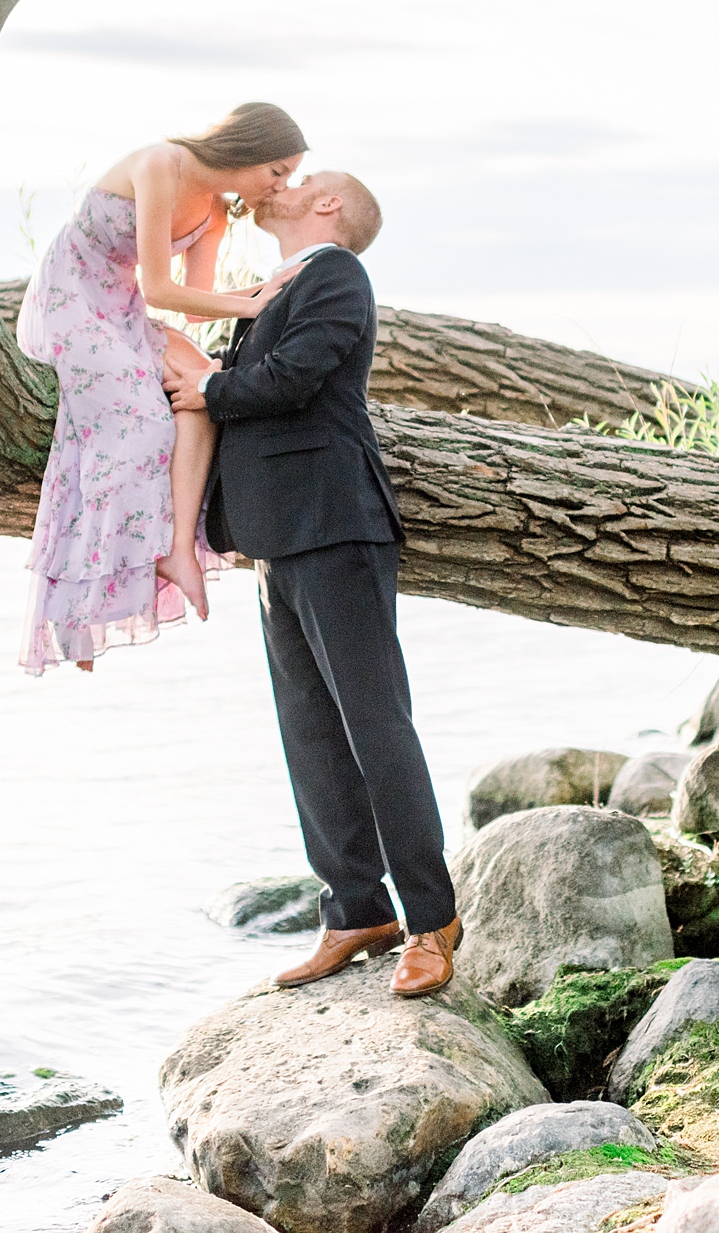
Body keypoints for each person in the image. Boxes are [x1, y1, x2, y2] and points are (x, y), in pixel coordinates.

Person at [162, 171, 463, 998]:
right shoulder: (271, 287)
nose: (281, 183)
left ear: (328, 206)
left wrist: (212, 387)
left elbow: (295, 377)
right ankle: (355, 911)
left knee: (376, 729)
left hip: (337, 528)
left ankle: (431, 921)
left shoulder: (337, 275)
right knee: (310, 737)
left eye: (301, 178)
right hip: (276, 545)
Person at [15, 103, 305, 675]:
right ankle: (80, 604)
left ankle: (175, 552)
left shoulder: (218, 215)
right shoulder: (159, 164)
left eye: (290, 177)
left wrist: (264, 290)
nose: (281, 185)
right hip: (71, 302)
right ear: (247, 147)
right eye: (278, 170)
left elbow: (193, 306)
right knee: (141, 425)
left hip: (122, 312)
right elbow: (159, 286)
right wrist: (249, 302)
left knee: (204, 397)